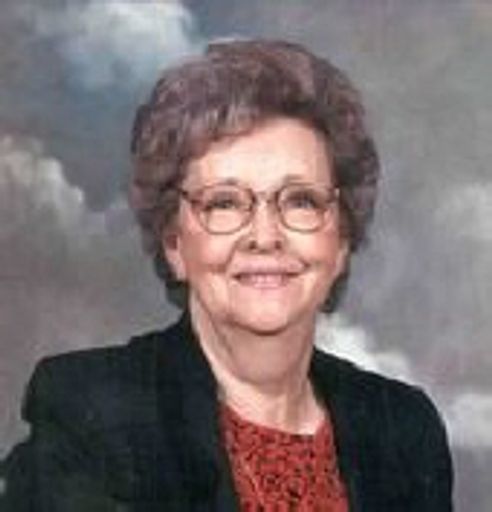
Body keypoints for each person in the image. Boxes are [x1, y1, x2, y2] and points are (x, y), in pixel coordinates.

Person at [1, 39, 453, 511]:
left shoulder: (402, 429)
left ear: (340, 240)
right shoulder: (92, 411)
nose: (265, 236)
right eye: (224, 203)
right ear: (174, 243)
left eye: (300, 200)